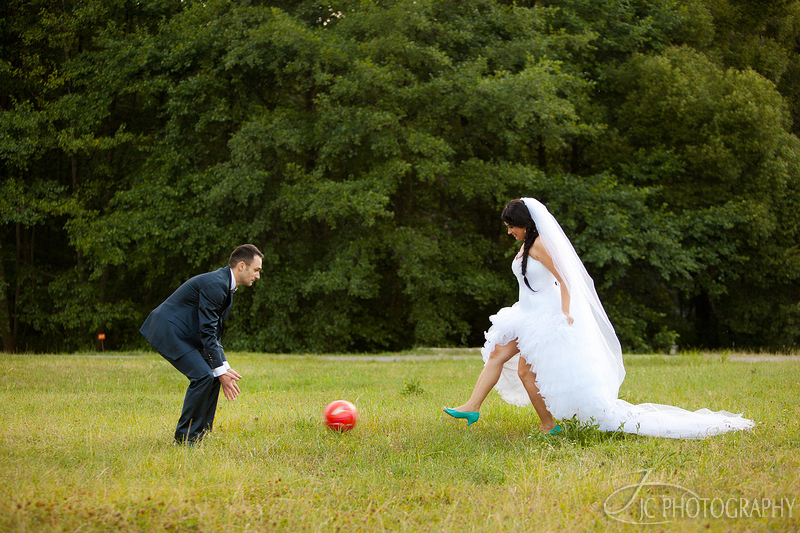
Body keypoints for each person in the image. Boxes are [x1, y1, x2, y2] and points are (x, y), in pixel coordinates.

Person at [444, 198, 754, 439]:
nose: (509, 230)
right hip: (526, 314)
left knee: (526, 372)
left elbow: (566, 279)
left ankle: (547, 425)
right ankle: (474, 408)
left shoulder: (539, 245)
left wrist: (566, 311)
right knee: (498, 354)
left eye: (511, 225)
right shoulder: (526, 245)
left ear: (525, 224)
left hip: (544, 317)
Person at [140, 244, 263, 444]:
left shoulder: (225, 287)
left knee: (214, 375)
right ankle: (185, 439)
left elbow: (214, 333)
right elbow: (207, 331)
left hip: (185, 334)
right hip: (169, 331)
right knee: (203, 376)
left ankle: (201, 433)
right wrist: (219, 368)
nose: (258, 275)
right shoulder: (216, 284)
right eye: (256, 270)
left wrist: (224, 368)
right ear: (242, 266)